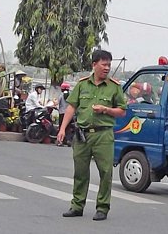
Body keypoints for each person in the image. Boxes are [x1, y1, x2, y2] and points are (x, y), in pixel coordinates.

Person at [57, 49, 127, 221]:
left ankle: (102, 207)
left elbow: (122, 111)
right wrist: (62, 128)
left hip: (103, 136)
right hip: (82, 135)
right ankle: (77, 205)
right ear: (94, 65)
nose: (107, 68)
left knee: (105, 172)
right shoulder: (82, 85)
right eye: (103, 64)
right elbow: (72, 107)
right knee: (80, 172)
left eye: (109, 65)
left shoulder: (114, 87)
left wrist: (106, 110)